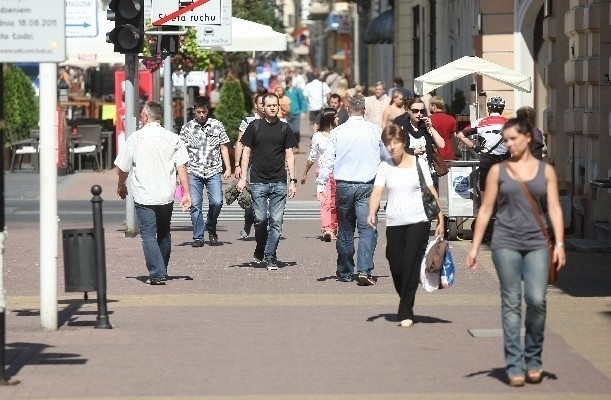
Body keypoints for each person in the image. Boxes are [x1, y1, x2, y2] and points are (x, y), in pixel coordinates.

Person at [466, 117, 566, 387]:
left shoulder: (546, 171)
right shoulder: (499, 172)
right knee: (511, 302)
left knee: (536, 300)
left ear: (527, 138)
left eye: (512, 139)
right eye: (505, 139)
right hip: (505, 242)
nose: (507, 144)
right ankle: (514, 364)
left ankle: (533, 357)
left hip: (537, 242)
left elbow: (555, 208)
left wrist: (559, 244)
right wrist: (474, 247)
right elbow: (486, 209)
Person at [367, 125, 444, 327]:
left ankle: (406, 310)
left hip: (418, 220)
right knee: (395, 262)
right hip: (394, 222)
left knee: (410, 262)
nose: (392, 147)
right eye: (388, 144)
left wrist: (440, 218)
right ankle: (406, 298)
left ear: (403, 142)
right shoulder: (385, 167)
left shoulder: (419, 163)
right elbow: (376, 192)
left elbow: (431, 191)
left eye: (395, 142)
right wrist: (371, 212)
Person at [114, 102, 191, 285]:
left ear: (146, 117)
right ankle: (161, 269)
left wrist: (121, 185)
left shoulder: (135, 138)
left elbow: (123, 167)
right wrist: (186, 192)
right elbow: (182, 166)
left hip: (144, 194)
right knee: (164, 233)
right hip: (166, 194)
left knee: (148, 234)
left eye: (142, 115)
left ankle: (157, 273)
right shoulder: (173, 138)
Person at [317, 93, 390, 285]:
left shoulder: (338, 132)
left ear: (348, 110)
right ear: (365, 110)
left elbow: (327, 161)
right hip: (367, 185)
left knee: (346, 229)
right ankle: (364, 270)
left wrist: (320, 184)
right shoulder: (376, 131)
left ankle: (345, 271)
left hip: (344, 185)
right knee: (368, 229)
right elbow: (387, 157)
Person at [237, 93, 298, 271]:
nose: (272, 108)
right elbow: (246, 152)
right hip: (258, 181)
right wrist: (242, 178)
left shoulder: (285, 129)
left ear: (279, 107)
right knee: (260, 219)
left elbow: (289, 155)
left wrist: (292, 181)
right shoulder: (254, 127)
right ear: (263, 107)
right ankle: (260, 247)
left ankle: (270, 256)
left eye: (275, 105)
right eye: (269, 105)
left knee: (276, 222)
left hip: (279, 181)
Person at [179, 96, 231, 247]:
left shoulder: (217, 125)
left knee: (217, 201)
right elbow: (181, 152)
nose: (201, 114)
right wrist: (179, 173)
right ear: (194, 111)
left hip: (213, 170)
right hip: (194, 171)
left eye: (204, 111)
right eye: (199, 111)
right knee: (195, 204)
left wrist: (228, 167)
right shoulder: (187, 128)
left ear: (208, 111)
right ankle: (198, 236)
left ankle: (211, 225)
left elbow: (223, 147)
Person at [456, 96, 508, 199]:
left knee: (485, 188)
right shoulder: (509, 123)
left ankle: (485, 211)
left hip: (486, 158)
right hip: (504, 159)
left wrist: (475, 147)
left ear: (489, 109)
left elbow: (460, 135)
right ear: (502, 109)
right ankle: (501, 212)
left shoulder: (480, 122)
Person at [301, 108, 338, 242]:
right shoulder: (317, 136)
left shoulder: (339, 133)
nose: (338, 119)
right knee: (325, 201)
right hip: (323, 172)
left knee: (336, 202)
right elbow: (312, 156)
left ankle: (334, 226)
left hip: (339, 172)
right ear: (329, 118)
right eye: (336, 116)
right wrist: (305, 173)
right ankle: (328, 229)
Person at [234, 93, 266, 239]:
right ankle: (248, 224)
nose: (264, 106)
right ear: (256, 105)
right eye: (261, 103)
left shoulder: (274, 120)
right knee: (250, 201)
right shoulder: (248, 121)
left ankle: (264, 228)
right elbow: (240, 142)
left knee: (266, 200)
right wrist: (237, 165)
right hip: (251, 165)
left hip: (268, 166)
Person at [394, 98, 445, 186]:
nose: (419, 114)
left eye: (422, 111)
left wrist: (430, 127)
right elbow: (395, 151)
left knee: (430, 199)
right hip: (409, 174)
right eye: (415, 111)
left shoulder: (426, 127)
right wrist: (413, 151)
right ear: (408, 111)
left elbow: (441, 145)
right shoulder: (402, 127)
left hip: (428, 174)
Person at [428, 95, 458, 161]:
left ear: (434, 106)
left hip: (435, 155)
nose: (428, 107)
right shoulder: (451, 119)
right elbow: (454, 138)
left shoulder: (428, 120)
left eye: (429, 105)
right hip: (449, 154)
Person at [284, 76, 308, 152]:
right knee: (289, 130)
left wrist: (303, 111)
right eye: (286, 82)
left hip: (296, 113)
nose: (287, 83)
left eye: (288, 82)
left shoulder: (297, 91)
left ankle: (297, 144)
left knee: (296, 130)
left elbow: (302, 101)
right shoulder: (285, 91)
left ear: (291, 82)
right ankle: (292, 146)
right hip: (287, 113)